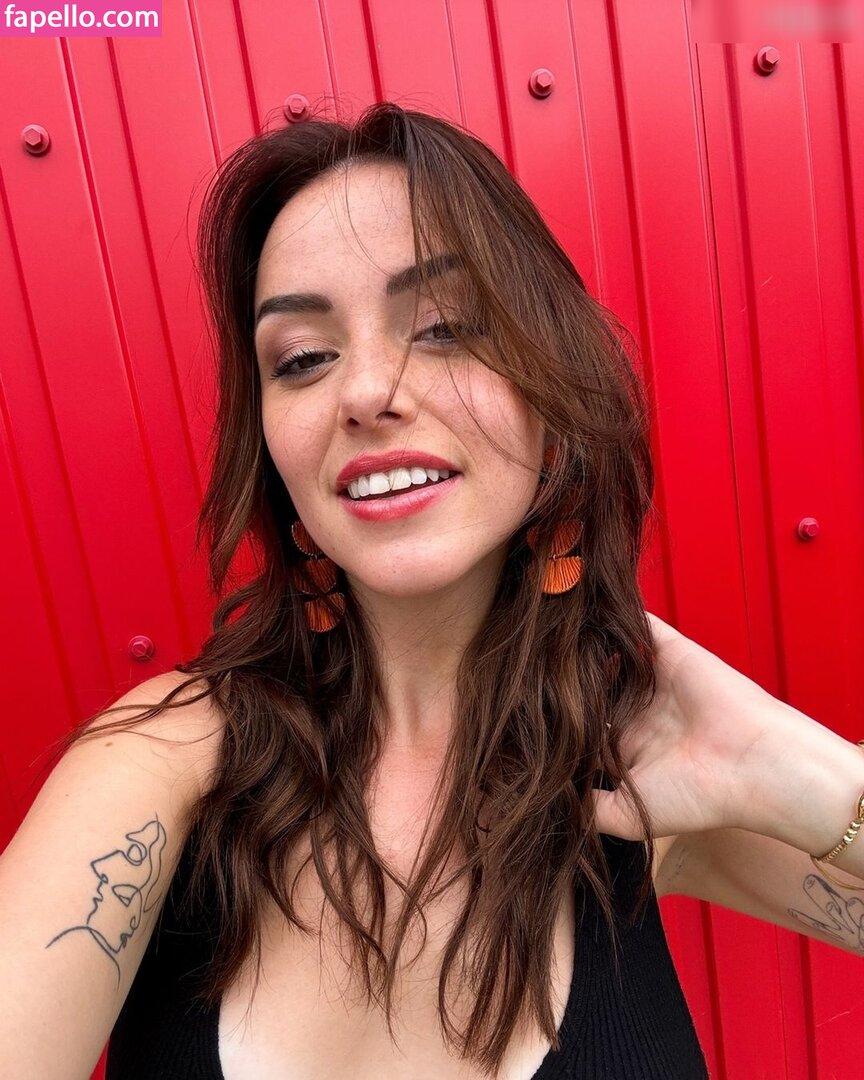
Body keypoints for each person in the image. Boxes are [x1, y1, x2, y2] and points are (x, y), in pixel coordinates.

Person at [2, 101, 862, 1080]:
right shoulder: (161, 768)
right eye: (303, 358)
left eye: (446, 328)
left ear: (552, 400)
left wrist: (800, 775)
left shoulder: (633, 772)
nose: (366, 392)